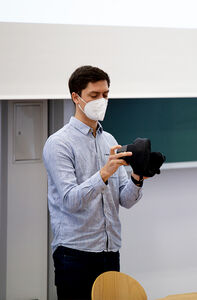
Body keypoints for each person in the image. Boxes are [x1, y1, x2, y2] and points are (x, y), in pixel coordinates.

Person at [43, 66, 146, 300]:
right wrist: (104, 173)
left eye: (105, 94)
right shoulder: (59, 143)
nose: (102, 100)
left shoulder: (108, 139)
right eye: (94, 95)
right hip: (74, 253)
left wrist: (138, 178)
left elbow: (125, 200)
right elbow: (69, 201)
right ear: (76, 98)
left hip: (109, 250)